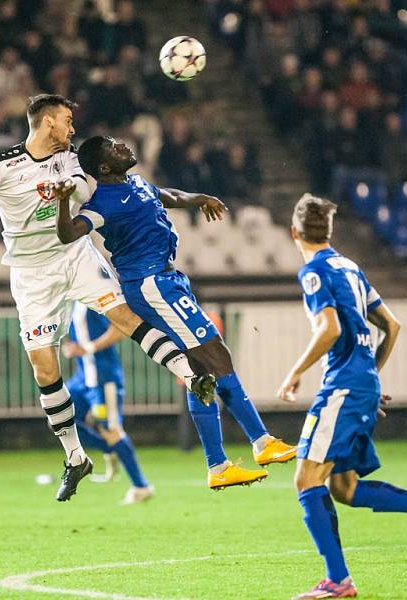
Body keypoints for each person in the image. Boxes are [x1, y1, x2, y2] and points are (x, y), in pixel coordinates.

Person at [0, 95, 215, 502]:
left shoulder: (72, 159)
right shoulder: (2, 165)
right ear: (47, 122)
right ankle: (75, 457)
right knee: (43, 367)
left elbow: (88, 186)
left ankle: (192, 376)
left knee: (122, 315)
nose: (72, 128)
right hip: (31, 275)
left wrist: (72, 190)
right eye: (67, 121)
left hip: (73, 257)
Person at [55, 135, 298, 491]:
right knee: (217, 355)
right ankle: (262, 442)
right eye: (113, 146)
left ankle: (218, 466)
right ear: (104, 167)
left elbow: (166, 195)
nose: (122, 144)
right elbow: (67, 233)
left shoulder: (136, 183)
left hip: (167, 281)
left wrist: (196, 199)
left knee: (198, 370)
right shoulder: (100, 204)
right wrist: (63, 203)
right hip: (151, 285)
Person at [278, 194, 407, 599]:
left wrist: (295, 373)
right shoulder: (350, 266)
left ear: (294, 232)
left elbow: (327, 329)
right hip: (360, 384)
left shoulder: (312, 271)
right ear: (328, 232)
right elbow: (391, 326)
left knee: (306, 478)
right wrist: (368, 380)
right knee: (342, 489)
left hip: (343, 386)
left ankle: (338, 581)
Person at [63, 302, 153, 505]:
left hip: (104, 377)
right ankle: (109, 448)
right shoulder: (71, 298)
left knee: (112, 429)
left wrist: (88, 347)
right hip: (82, 377)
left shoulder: (96, 295)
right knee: (59, 418)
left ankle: (141, 486)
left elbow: (120, 328)